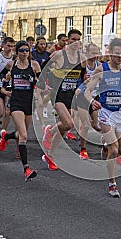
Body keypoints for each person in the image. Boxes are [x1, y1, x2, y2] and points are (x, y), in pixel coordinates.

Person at [84, 38, 121, 197]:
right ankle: (112, 184)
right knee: (114, 151)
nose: (119, 57)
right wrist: (93, 102)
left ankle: (104, 146)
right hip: (106, 113)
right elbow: (88, 91)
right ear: (110, 54)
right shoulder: (101, 69)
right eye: (116, 54)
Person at [41, 29, 87, 170]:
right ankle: (49, 131)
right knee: (68, 124)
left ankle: (49, 155)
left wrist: (85, 81)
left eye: (78, 40)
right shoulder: (59, 55)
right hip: (58, 94)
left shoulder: (82, 58)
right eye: (72, 39)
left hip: (71, 96)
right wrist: (44, 85)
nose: (75, 42)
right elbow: (42, 69)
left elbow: (83, 76)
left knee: (63, 128)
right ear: (67, 41)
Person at [0, 41, 41, 181]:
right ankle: (26, 169)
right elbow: (2, 76)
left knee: (20, 134)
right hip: (16, 102)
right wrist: (6, 82)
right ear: (17, 52)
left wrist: (36, 82)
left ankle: (5, 137)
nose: (24, 53)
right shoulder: (12, 65)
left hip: (28, 102)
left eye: (27, 50)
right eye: (21, 50)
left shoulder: (34, 65)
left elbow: (39, 83)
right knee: (23, 135)